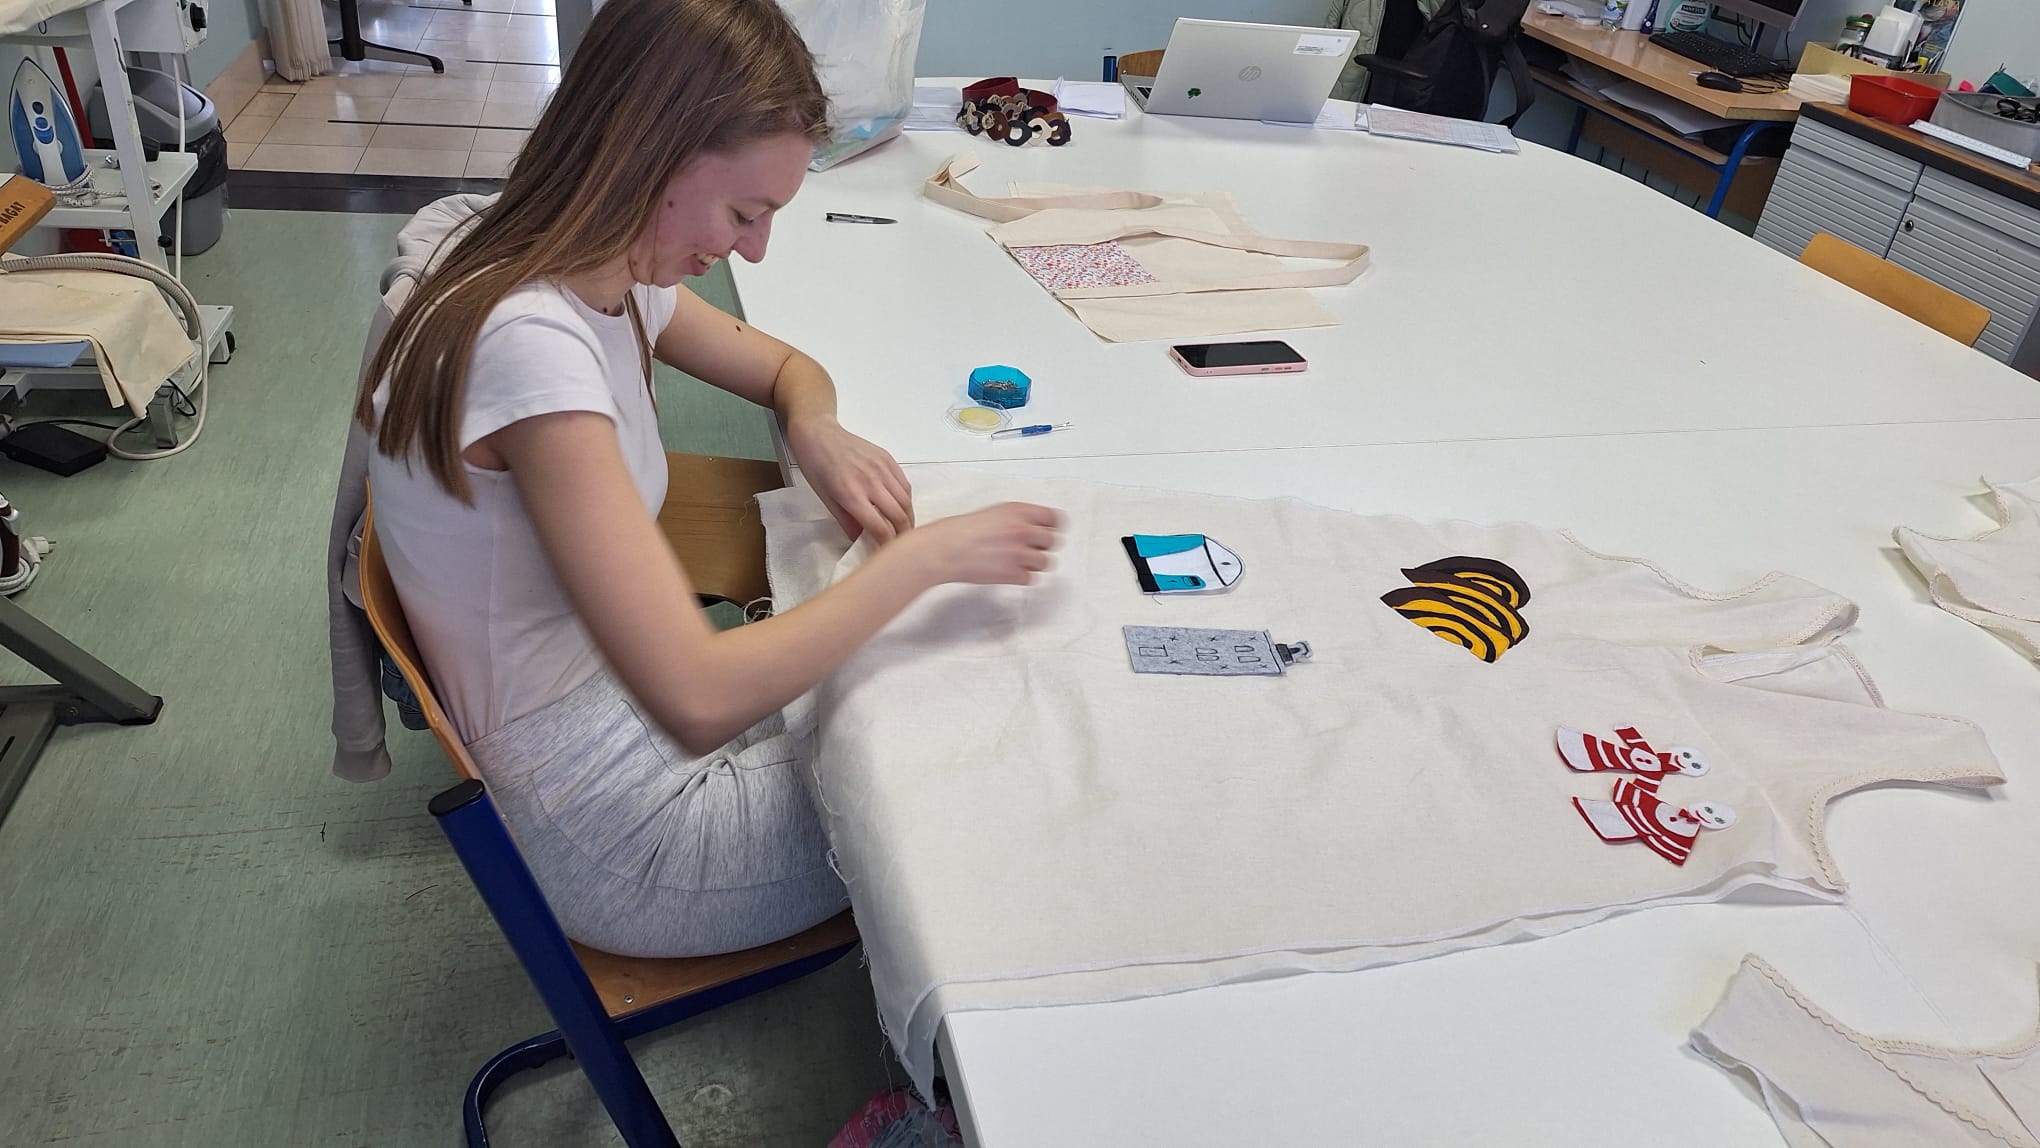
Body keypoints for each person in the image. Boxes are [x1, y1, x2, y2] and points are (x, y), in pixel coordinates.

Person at [357, 0, 1061, 958]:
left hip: (618, 717)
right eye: (745, 213)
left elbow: (787, 369)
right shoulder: (532, 349)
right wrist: (922, 562)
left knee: (934, 669)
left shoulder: (593, 264)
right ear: (647, 154)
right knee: (1003, 738)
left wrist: (814, 427)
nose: (754, 248)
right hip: (623, 839)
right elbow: (697, 699)